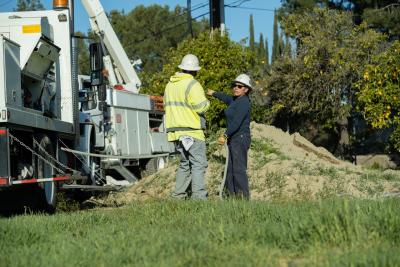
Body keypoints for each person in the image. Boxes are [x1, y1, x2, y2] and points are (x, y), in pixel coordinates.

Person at [164, 54, 210, 200]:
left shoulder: (169, 85)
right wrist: (208, 103)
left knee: (185, 164)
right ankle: (199, 198)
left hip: (176, 133)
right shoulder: (193, 84)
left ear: (182, 68)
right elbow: (201, 107)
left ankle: (178, 196)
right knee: (198, 164)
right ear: (195, 71)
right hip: (192, 132)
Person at [207, 74, 252, 199]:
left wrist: (225, 135)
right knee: (230, 170)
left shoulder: (244, 103)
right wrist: (214, 93)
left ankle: (243, 198)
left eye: (239, 86)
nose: (235, 88)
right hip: (234, 138)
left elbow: (237, 122)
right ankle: (231, 197)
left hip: (241, 138)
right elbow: (225, 97)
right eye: (234, 85)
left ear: (246, 89)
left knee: (238, 170)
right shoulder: (234, 100)